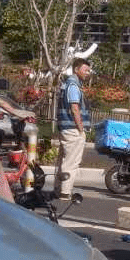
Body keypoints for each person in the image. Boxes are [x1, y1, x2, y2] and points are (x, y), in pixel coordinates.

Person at [54, 58, 93, 200]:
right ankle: (65, 191)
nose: (88, 73)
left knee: (63, 159)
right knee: (72, 161)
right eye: (85, 70)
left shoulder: (67, 84)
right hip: (72, 128)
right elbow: (75, 108)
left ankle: (58, 188)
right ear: (76, 70)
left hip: (66, 127)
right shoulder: (73, 86)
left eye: (89, 70)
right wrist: (81, 128)